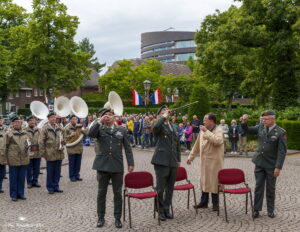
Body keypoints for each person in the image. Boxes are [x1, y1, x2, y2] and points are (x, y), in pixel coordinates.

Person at [88, 107, 134, 229]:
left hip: (117, 165)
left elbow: (128, 148)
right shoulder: (99, 129)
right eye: (105, 115)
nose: (107, 116)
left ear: (114, 117)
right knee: (101, 193)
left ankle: (117, 218)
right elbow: (90, 134)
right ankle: (100, 217)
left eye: (109, 114)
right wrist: (99, 121)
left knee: (117, 193)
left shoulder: (121, 130)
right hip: (102, 165)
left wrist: (130, 163)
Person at [240, 110, 287, 218]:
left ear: (273, 119)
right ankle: (256, 209)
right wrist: (243, 121)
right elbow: (247, 130)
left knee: (271, 188)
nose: (263, 121)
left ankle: (270, 210)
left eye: (266, 119)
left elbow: (282, 151)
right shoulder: (260, 127)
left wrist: (278, 167)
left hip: (271, 165)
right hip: (259, 162)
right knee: (258, 187)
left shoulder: (280, 132)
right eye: (263, 119)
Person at [187, 113, 224, 211]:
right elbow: (197, 145)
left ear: (211, 121)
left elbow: (218, 141)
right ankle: (204, 202)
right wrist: (190, 157)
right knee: (204, 181)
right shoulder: (202, 131)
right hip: (204, 162)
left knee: (214, 182)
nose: (203, 122)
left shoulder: (218, 130)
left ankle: (215, 204)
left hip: (215, 162)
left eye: (205, 120)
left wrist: (206, 131)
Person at [151, 105, 181, 221]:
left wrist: (178, 159)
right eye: (163, 111)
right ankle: (160, 209)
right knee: (160, 188)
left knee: (170, 188)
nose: (166, 112)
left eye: (167, 110)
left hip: (173, 160)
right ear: (159, 115)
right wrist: (163, 117)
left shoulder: (173, 126)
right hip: (161, 160)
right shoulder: (158, 125)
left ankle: (166, 209)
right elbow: (155, 127)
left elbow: (177, 143)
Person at [39, 112, 65, 194]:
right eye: (52, 117)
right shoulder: (45, 128)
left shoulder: (59, 127)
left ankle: (56, 186)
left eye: (55, 117)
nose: (54, 119)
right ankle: (50, 187)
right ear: (49, 119)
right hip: (49, 152)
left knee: (57, 171)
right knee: (50, 171)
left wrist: (64, 142)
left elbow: (63, 137)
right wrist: (43, 153)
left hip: (59, 152)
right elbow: (41, 141)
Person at [5, 116, 29, 201]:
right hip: (13, 158)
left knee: (22, 178)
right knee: (13, 178)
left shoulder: (25, 133)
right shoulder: (9, 133)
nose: (17, 123)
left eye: (18, 122)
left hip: (23, 158)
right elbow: (5, 146)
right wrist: (5, 159)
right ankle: (13, 195)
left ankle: (20, 193)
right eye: (15, 122)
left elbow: (27, 144)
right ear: (12, 123)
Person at [64, 115, 87, 182]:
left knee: (78, 163)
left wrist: (82, 130)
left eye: (76, 119)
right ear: (70, 120)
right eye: (73, 119)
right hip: (71, 148)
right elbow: (64, 138)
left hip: (79, 148)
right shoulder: (67, 128)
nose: (75, 120)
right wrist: (70, 135)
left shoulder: (79, 127)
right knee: (72, 163)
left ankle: (77, 175)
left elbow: (86, 133)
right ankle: (72, 176)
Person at [25, 116, 42, 188]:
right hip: (29, 153)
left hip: (37, 153)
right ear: (28, 122)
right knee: (28, 169)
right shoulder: (24, 130)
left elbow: (41, 139)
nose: (32, 122)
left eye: (33, 120)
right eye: (30, 120)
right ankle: (29, 182)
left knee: (37, 168)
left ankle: (35, 181)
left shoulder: (39, 130)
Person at [0, 116, 8, 193]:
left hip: (3, 153)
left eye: (1, 119)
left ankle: (0, 186)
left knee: (2, 172)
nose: (0, 121)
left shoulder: (6, 128)